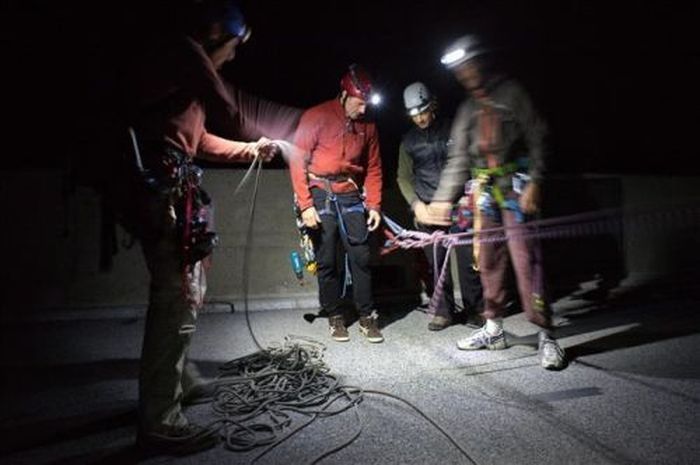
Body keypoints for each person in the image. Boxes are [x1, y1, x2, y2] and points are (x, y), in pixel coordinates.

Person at [108, 0, 279, 454]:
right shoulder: (185, 52)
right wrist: (270, 127)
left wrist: (249, 150)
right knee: (177, 296)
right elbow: (227, 106)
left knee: (185, 291)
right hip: (161, 192)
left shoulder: (184, 81)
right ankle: (160, 420)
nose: (233, 57)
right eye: (233, 47)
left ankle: (177, 382)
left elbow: (200, 139)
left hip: (173, 187)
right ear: (218, 35)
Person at [425, 35, 566, 370]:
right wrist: (443, 199)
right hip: (486, 193)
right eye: (459, 70)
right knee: (487, 262)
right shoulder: (466, 109)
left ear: (482, 62)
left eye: (468, 65)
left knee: (526, 262)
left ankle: (547, 335)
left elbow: (538, 137)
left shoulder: (511, 93)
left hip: (516, 190)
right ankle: (494, 329)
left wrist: (536, 180)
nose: (465, 74)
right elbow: (459, 158)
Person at [290, 64, 384, 343]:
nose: (364, 109)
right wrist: (306, 205)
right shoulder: (316, 116)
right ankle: (334, 315)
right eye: (359, 102)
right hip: (320, 190)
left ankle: (366, 315)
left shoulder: (368, 126)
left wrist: (376, 205)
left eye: (367, 103)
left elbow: (374, 167)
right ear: (344, 95)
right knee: (327, 256)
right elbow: (297, 161)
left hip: (350, 192)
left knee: (361, 255)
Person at [396, 82, 483, 331]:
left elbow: (468, 164)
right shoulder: (408, 141)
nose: (420, 118)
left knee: (468, 260)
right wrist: (416, 204)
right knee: (436, 264)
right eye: (414, 114)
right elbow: (403, 177)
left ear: (432, 105)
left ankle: (475, 309)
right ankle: (443, 312)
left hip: (458, 205)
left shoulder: (453, 129)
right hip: (426, 208)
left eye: (423, 111)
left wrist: (470, 195)